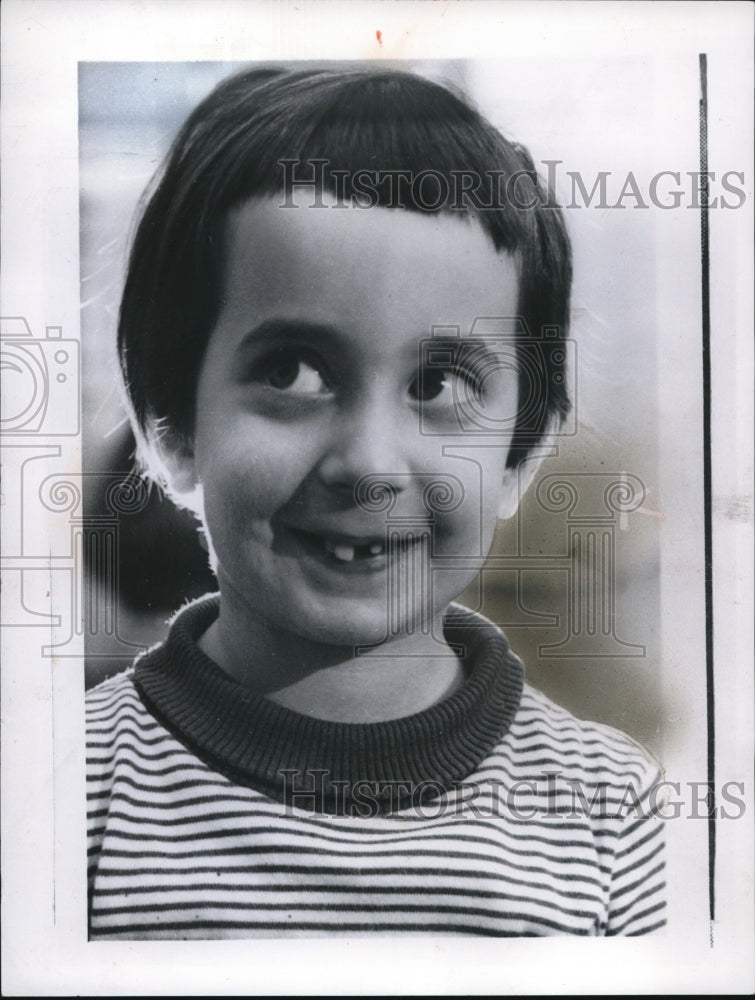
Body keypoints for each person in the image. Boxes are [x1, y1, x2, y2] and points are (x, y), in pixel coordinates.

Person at [86, 65, 666, 938]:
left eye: (437, 382)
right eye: (292, 372)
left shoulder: (608, 815)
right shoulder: (61, 788)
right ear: (169, 426)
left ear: (519, 454)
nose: (367, 463)